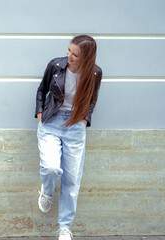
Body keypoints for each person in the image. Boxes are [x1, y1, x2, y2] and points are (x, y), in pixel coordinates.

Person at [35, 35, 102, 240]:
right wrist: (39, 115)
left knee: (72, 181)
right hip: (51, 122)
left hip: (75, 125)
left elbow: (92, 99)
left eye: (75, 54)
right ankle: (46, 191)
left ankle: (65, 227)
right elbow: (42, 89)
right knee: (51, 167)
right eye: (69, 51)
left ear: (87, 57)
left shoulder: (95, 73)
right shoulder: (55, 65)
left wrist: (84, 121)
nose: (69, 56)